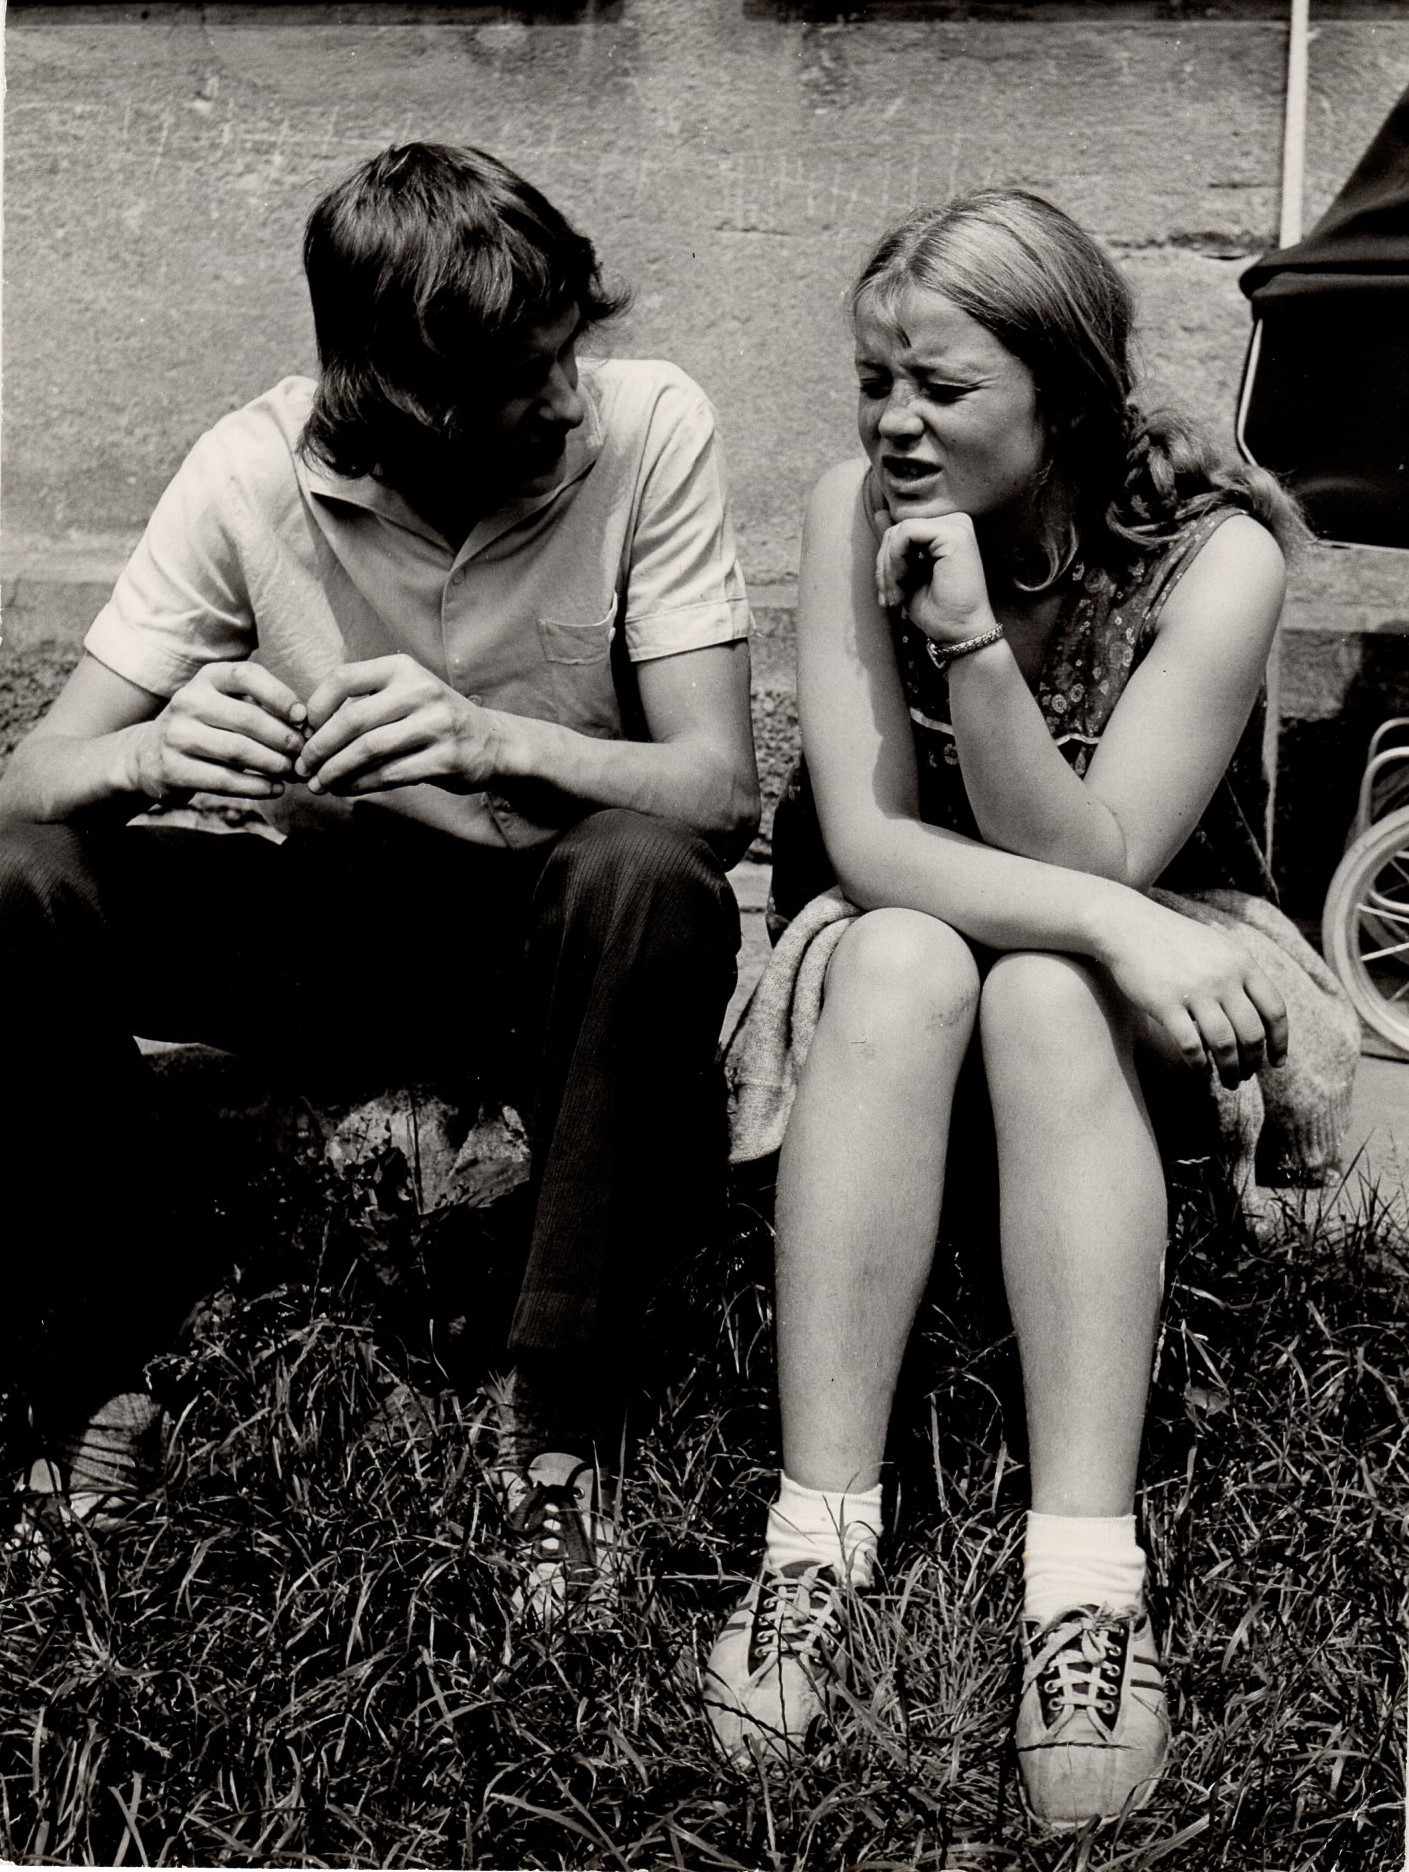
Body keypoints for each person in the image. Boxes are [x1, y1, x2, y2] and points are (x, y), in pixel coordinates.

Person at [0, 142, 759, 1621]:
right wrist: (149, 754)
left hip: (547, 942)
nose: (567, 398)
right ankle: (96, 1371)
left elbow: (719, 792)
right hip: (325, 923)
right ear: (404, 399)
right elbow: (28, 779)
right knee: (21, 879)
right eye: (522, 380)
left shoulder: (652, 426)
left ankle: (553, 1422)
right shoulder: (249, 470)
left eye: (570, 350)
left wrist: (493, 740)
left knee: (647, 875)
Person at [703, 190, 1357, 1826]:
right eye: (874, 380)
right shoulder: (849, 510)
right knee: (913, 953)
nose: (892, 423)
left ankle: (1081, 1581)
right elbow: (870, 845)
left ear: (1063, 394)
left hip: (1161, 952)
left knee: (1052, 991)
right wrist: (1099, 921)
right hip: (910, 946)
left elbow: (1102, 857)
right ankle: (813, 1542)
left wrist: (974, 650)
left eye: (940, 387)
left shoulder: (1214, 558)